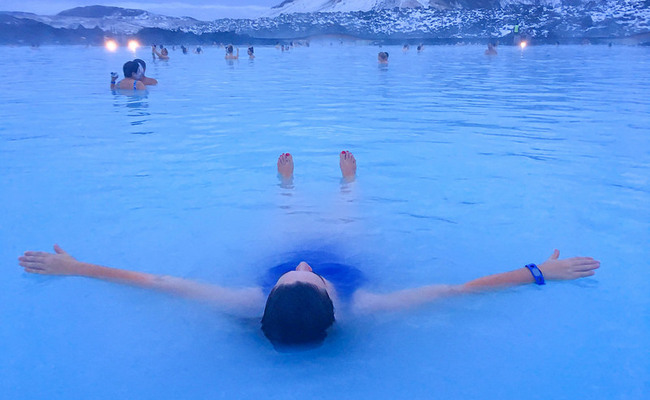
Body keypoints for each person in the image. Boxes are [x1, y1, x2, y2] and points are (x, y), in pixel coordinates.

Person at [18, 151, 600, 349]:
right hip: (347, 265)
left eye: (289, 278)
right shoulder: (363, 306)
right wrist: (538, 272)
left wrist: (76, 267)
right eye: (306, 278)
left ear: (266, 301)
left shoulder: (250, 297)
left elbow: (157, 284)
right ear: (329, 299)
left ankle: (288, 187)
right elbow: (456, 291)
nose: (300, 266)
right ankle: (348, 186)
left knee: (286, 221)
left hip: (296, 287)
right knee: (347, 220)